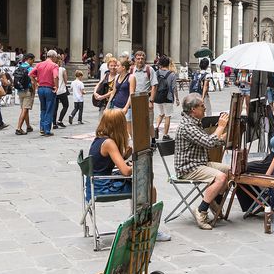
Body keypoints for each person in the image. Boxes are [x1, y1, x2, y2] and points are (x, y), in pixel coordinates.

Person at [87, 109, 171, 241]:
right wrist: (137, 165)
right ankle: (149, 228)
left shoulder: (100, 139)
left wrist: (125, 156)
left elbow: (106, 163)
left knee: (141, 185)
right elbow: (125, 171)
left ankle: (137, 221)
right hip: (102, 186)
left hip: (93, 184)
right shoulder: (109, 143)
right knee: (150, 189)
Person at [175, 94, 231, 230]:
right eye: (201, 106)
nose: (205, 107)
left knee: (230, 171)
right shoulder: (187, 126)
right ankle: (201, 210)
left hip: (200, 163)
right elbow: (209, 142)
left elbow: (209, 140)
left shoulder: (194, 121)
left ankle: (214, 202)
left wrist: (225, 137)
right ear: (193, 109)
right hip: (188, 167)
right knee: (221, 177)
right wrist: (221, 126)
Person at [29, 50, 60, 137]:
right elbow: (55, 76)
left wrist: (36, 83)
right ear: (53, 57)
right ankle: (47, 130)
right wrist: (56, 86)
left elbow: (30, 74)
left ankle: (42, 128)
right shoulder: (54, 65)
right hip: (49, 89)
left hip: (41, 88)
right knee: (49, 109)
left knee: (43, 109)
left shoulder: (39, 64)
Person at [153, 57, 178, 140]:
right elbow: (174, 88)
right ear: (168, 64)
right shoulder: (172, 74)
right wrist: (177, 99)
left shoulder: (156, 73)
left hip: (158, 97)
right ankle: (165, 134)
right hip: (168, 97)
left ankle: (156, 127)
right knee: (168, 116)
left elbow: (153, 85)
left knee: (161, 113)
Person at [13, 53, 35, 135]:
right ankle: (18, 128)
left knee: (24, 109)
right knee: (25, 109)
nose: (33, 62)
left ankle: (28, 126)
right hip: (27, 91)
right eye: (33, 60)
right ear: (29, 59)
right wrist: (34, 89)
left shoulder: (19, 67)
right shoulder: (29, 68)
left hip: (19, 90)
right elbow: (32, 80)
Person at [54, 55, 70, 129]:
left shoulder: (53, 68)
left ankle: (54, 123)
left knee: (55, 108)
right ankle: (60, 120)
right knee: (65, 105)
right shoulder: (63, 69)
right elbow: (66, 81)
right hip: (62, 90)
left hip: (54, 90)